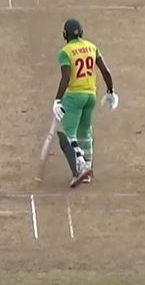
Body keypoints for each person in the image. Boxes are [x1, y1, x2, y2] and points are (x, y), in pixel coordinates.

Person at [52, 19, 118, 187]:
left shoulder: (65, 52)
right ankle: (88, 170)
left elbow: (66, 77)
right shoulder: (91, 47)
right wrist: (110, 92)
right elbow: (105, 71)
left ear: (65, 35)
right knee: (85, 133)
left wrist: (57, 99)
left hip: (74, 96)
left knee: (67, 134)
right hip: (91, 96)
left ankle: (80, 166)